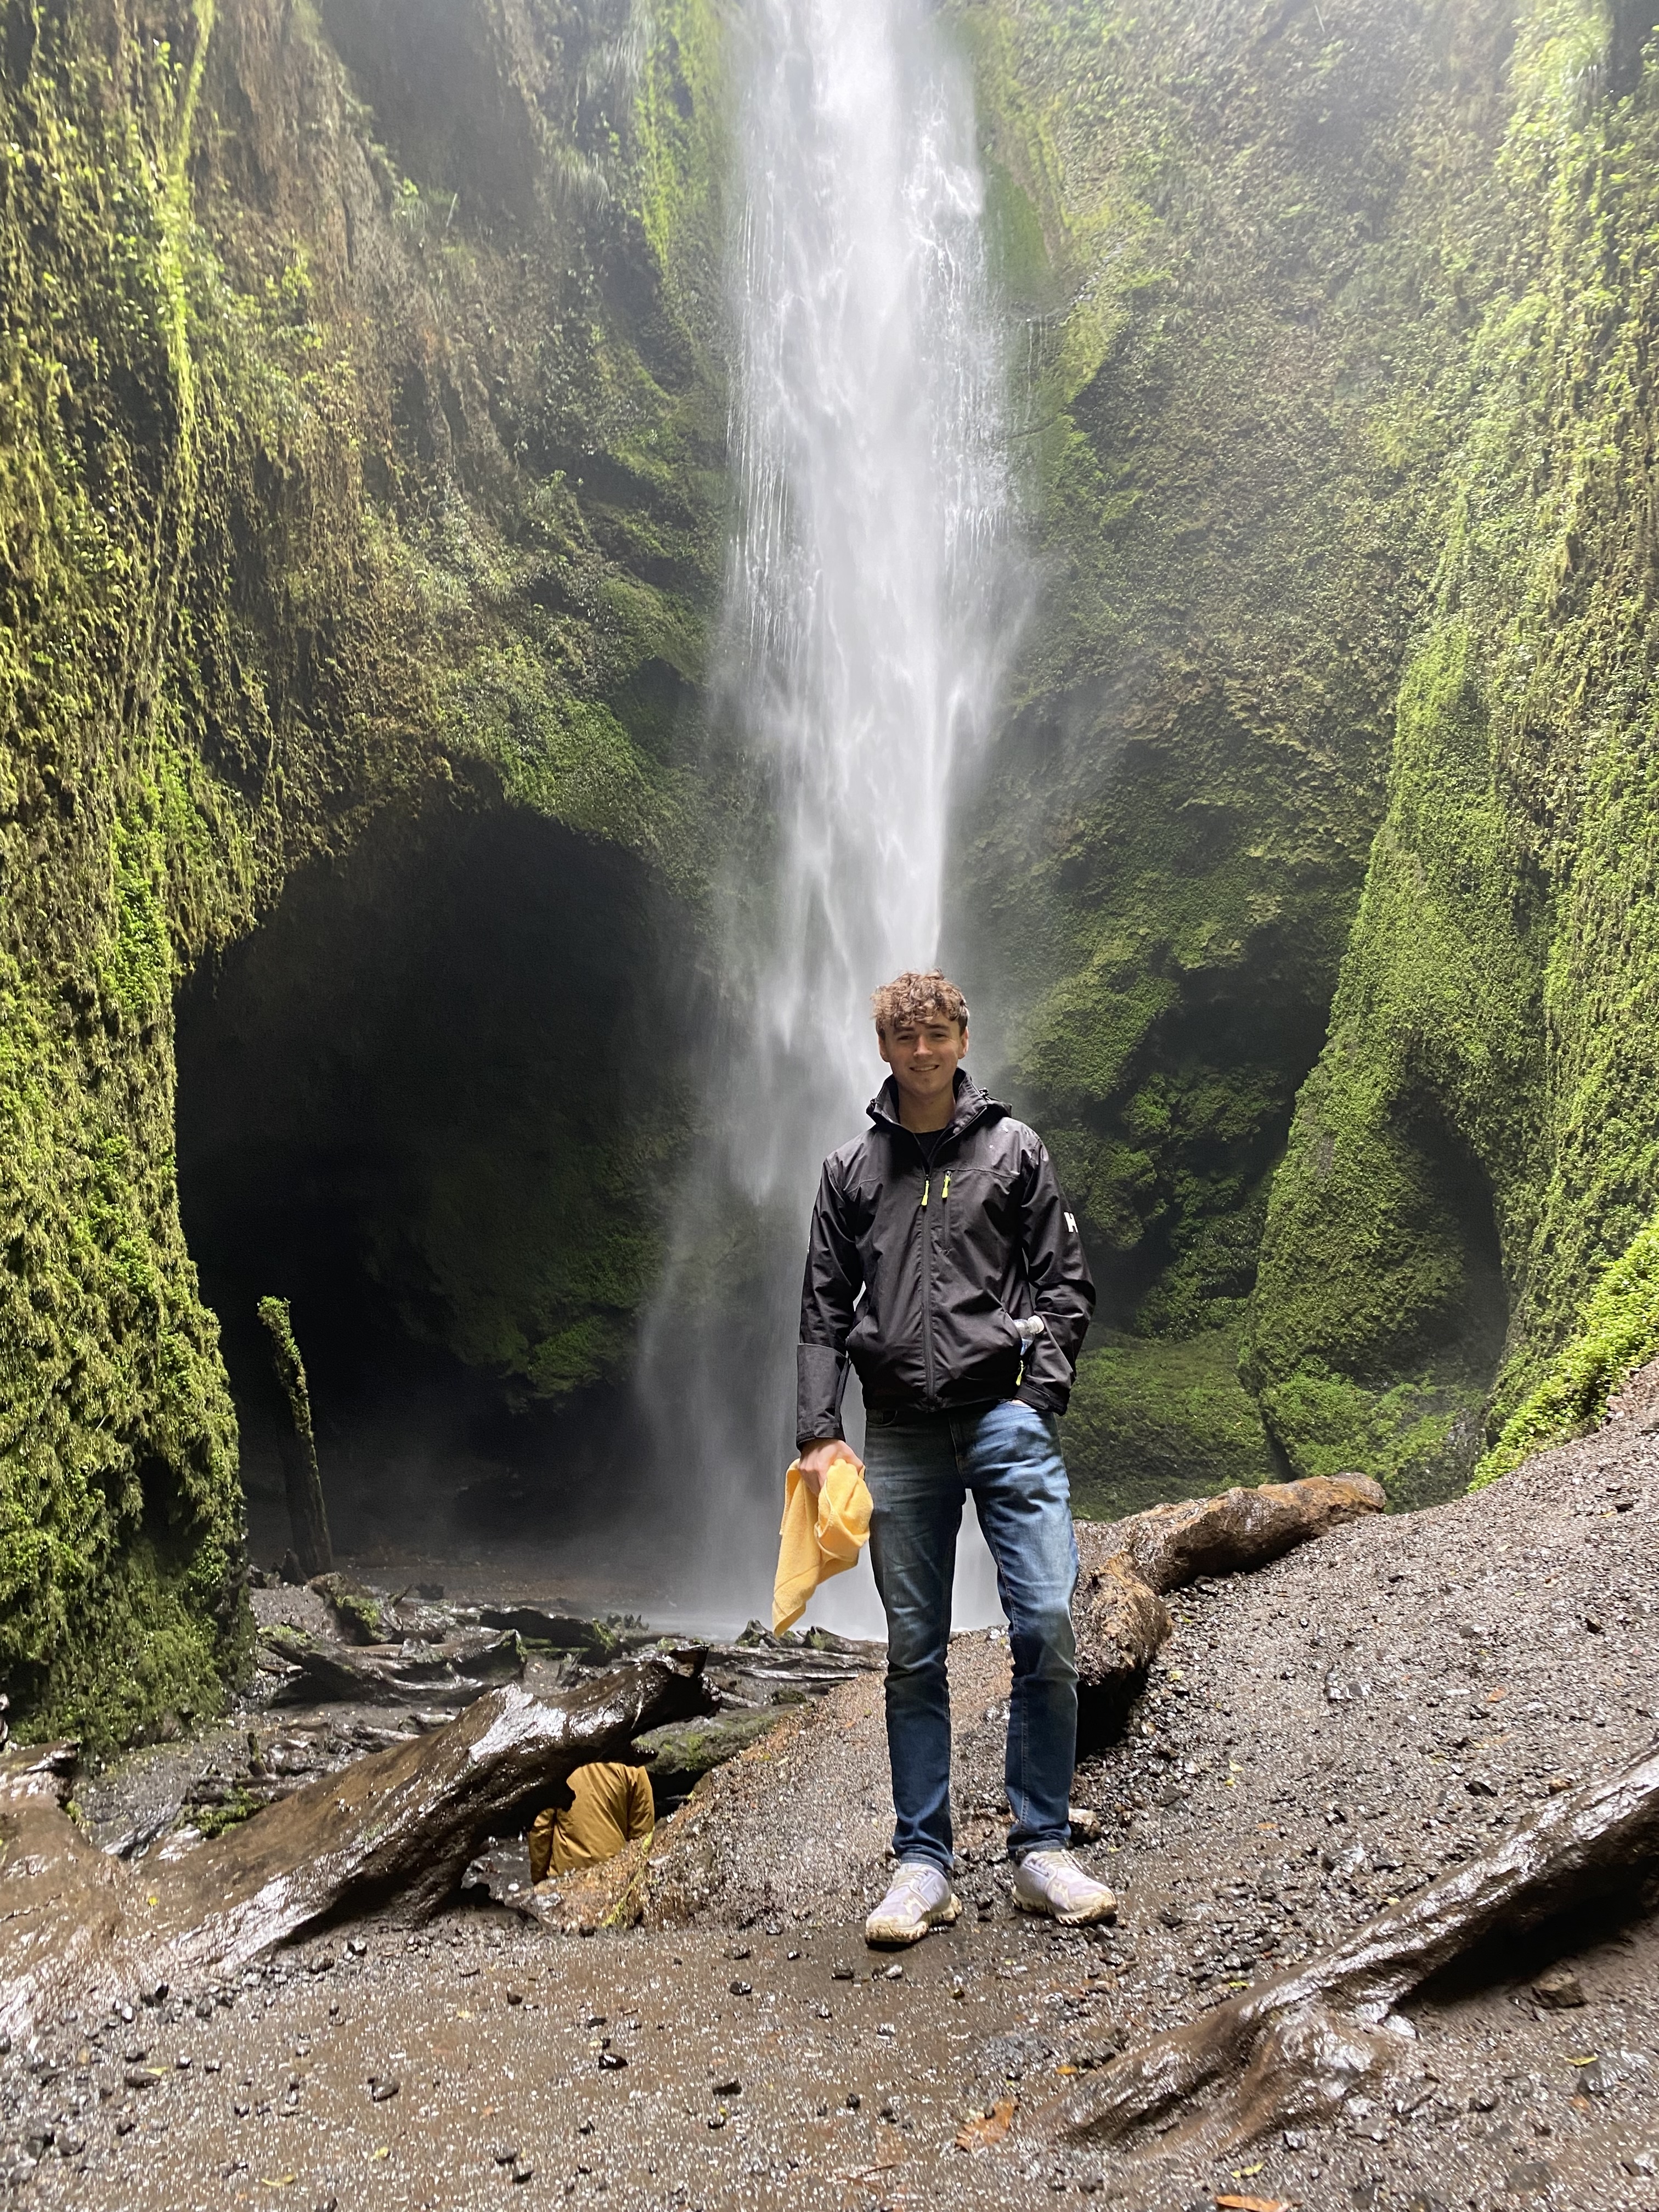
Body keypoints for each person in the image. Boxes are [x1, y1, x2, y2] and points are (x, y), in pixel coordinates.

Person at [796, 969, 1114, 1944]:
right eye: (905, 1038)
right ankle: (921, 1863)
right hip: (895, 1431)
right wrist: (818, 1432)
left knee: (1047, 1620)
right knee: (912, 1651)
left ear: (960, 1038)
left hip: (1001, 1417)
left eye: (936, 1034)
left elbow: (1065, 1283)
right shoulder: (850, 1171)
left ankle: (1039, 1848)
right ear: (884, 1050)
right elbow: (819, 1310)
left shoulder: (1014, 1151)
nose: (922, 1051)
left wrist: (1036, 1394)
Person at [528, 1760, 654, 1883]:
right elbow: (643, 1835)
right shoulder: (633, 1766)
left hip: (565, 1877)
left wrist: (539, 1880)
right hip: (612, 1876)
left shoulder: (558, 1764)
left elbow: (540, 1828)